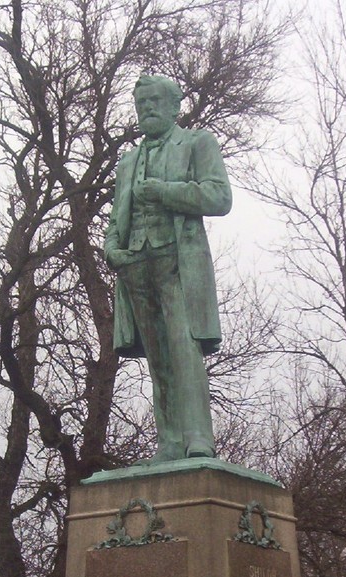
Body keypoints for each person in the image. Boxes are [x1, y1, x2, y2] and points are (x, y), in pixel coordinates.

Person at [104, 74, 232, 462]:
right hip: (136, 267)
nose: (147, 110)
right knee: (158, 358)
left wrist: (166, 192)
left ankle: (198, 440)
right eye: (141, 104)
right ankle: (171, 442)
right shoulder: (128, 162)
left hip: (178, 262)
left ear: (175, 106)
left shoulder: (196, 143)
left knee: (184, 349)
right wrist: (112, 250)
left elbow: (219, 196)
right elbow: (116, 220)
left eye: (155, 102)